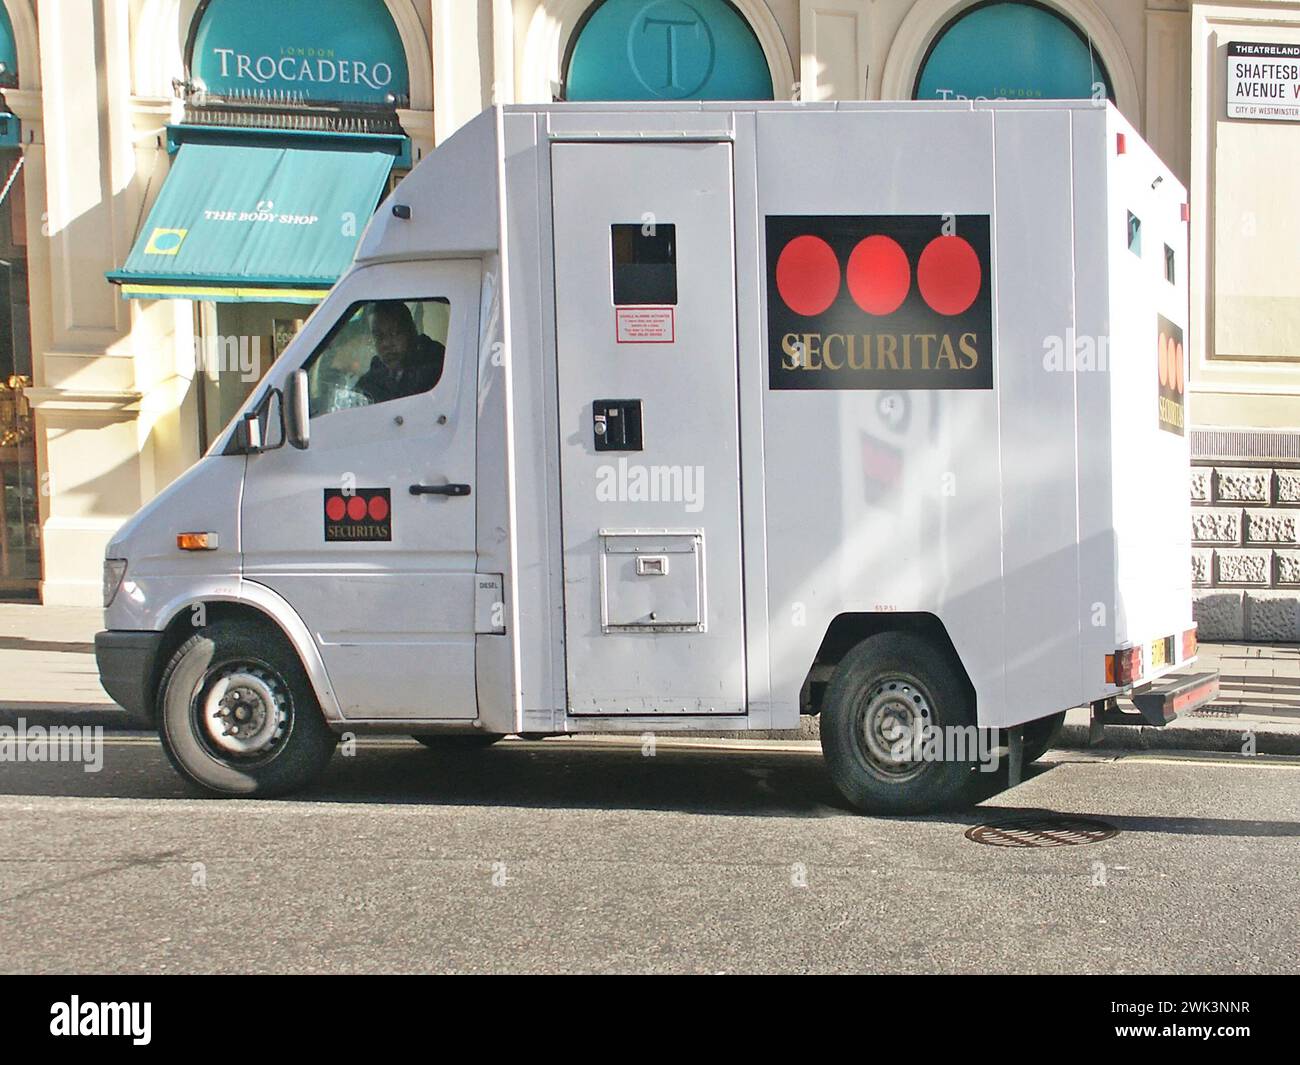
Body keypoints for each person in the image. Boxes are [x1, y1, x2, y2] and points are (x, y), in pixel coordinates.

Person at [355, 301, 445, 404]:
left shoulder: (437, 367)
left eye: (394, 333)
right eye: (379, 336)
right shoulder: (374, 377)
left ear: (411, 332)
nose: (386, 344)